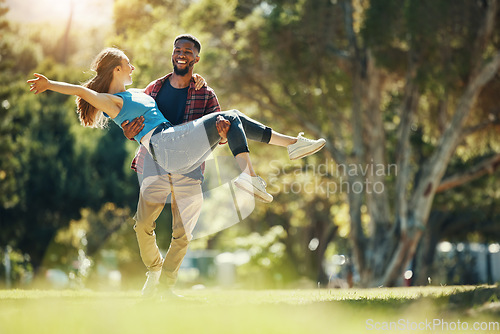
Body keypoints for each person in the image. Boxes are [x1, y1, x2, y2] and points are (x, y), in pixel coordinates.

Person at [27, 47, 326, 294]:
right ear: (116, 69)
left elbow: (174, 88)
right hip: (164, 146)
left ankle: (291, 145)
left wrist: (198, 80)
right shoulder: (113, 101)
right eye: (127, 63)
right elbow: (82, 90)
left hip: (176, 148)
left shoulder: (142, 93)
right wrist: (50, 84)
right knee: (229, 118)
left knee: (233, 119)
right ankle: (252, 176)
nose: (132, 66)